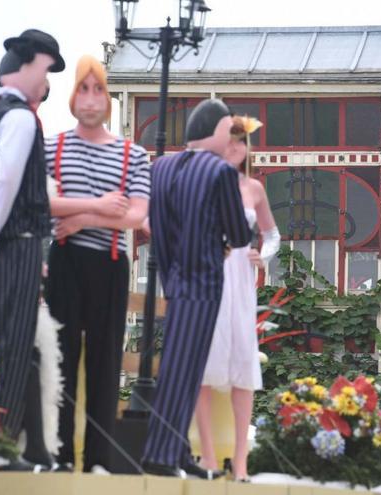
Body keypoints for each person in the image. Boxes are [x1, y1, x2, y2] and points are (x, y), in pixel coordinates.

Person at [0, 29, 64, 470]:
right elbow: (2, 181)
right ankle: (2, 448)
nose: (46, 82)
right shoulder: (19, 117)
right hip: (16, 244)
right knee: (14, 346)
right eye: (44, 69)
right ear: (26, 63)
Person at [43, 55, 150, 474]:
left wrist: (84, 216)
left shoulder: (133, 153)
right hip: (65, 261)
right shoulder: (52, 146)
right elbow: (44, 201)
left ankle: (99, 459)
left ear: (108, 98)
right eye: (83, 88)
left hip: (109, 262)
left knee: (106, 361)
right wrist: (102, 205)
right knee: (62, 356)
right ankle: (61, 454)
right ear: (72, 94)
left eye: (99, 89)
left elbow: (137, 215)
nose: (90, 99)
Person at [141, 99, 251, 479]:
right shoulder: (219, 171)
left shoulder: (161, 166)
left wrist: (172, 275)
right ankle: (162, 454)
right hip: (203, 281)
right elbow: (239, 234)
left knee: (180, 365)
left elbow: (155, 225)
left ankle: (178, 450)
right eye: (228, 129)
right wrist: (221, 243)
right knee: (183, 370)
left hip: (174, 280)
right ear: (217, 129)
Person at [194, 116, 279, 480]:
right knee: (203, 363)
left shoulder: (254, 189)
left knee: (244, 364)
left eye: (241, 142)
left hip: (241, 277)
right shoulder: (204, 185)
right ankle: (208, 456)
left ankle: (240, 461)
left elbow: (272, 234)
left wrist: (264, 255)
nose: (235, 148)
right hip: (209, 274)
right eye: (229, 141)